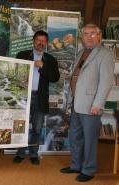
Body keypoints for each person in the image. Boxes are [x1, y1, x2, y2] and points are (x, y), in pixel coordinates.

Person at [60, 24, 115, 182]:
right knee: (75, 136)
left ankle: (89, 169)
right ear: (81, 37)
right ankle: (76, 165)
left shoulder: (105, 54)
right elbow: (78, 76)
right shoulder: (81, 52)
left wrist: (98, 104)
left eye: (93, 33)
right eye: (86, 34)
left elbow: (106, 82)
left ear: (99, 36)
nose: (89, 37)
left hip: (91, 105)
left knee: (89, 139)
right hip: (77, 103)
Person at [13, 30, 60, 165]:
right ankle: (20, 153)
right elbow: (14, 73)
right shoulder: (22, 55)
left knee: (37, 128)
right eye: (38, 40)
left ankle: (33, 154)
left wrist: (43, 66)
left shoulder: (50, 59)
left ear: (46, 43)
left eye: (43, 41)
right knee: (21, 127)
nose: (40, 43)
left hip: (39, 98)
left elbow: (55, 77)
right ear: (33, 41)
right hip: (23, 97)